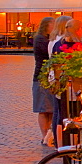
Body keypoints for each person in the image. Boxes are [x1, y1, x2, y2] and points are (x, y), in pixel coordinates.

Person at [32, 16, 55, 145]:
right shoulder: (40, 39)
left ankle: (49, 135)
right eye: (53, 25)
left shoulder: (47, 39)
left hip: (48, 77)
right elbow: (48, 53)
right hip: (41, 76)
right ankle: (44, 135)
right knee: (42, 108)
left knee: (50, 108)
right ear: (47, 26)